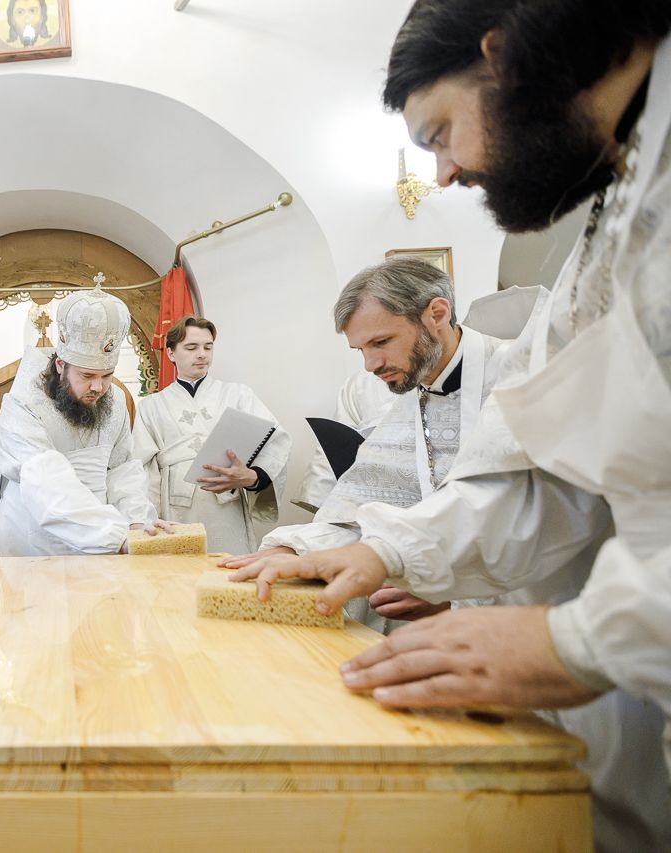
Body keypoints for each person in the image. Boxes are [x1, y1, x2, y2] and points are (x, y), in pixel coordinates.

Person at [229, 2, 671, 848]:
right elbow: (530, 479)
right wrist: (381, 551)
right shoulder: (618, 200)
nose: (441, 175)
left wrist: (577, 640)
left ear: (504, 60)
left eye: (438, 132)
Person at [227, 259, 598, 634]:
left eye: (381, 342)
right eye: (360, 349)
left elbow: (556, 519)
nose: (370, 364)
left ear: (437, 314)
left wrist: (455, 593)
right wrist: (293, 551)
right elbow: (359, 515)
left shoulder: (525, 376)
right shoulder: (412, 399)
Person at [0, 285, 170, 556]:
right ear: (60, 365)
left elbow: (121, 469)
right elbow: (44, 481)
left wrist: (135, 522)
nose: (99, 387)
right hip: (33, 539)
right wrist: (114, 535)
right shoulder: (22, 405)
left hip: (102, 538)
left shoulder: (115, 401)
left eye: (107, 375)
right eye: (87, 376)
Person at [133, 316, 291, 553]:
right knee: (177, 570)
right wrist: (148, 518)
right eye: (192, 347)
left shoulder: (238, 395)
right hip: (174, 507)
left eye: (208, 347)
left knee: (230, 567)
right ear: (171, 353)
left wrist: (252, 477)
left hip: (227, 505)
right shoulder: (151, 406)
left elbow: (276, 441)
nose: (202, 354)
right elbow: (142, 469)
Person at [290, 368, 395, 514]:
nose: (370, 364)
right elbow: (337, 440)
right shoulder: (363, 382)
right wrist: (317, 497)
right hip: (365, 504)